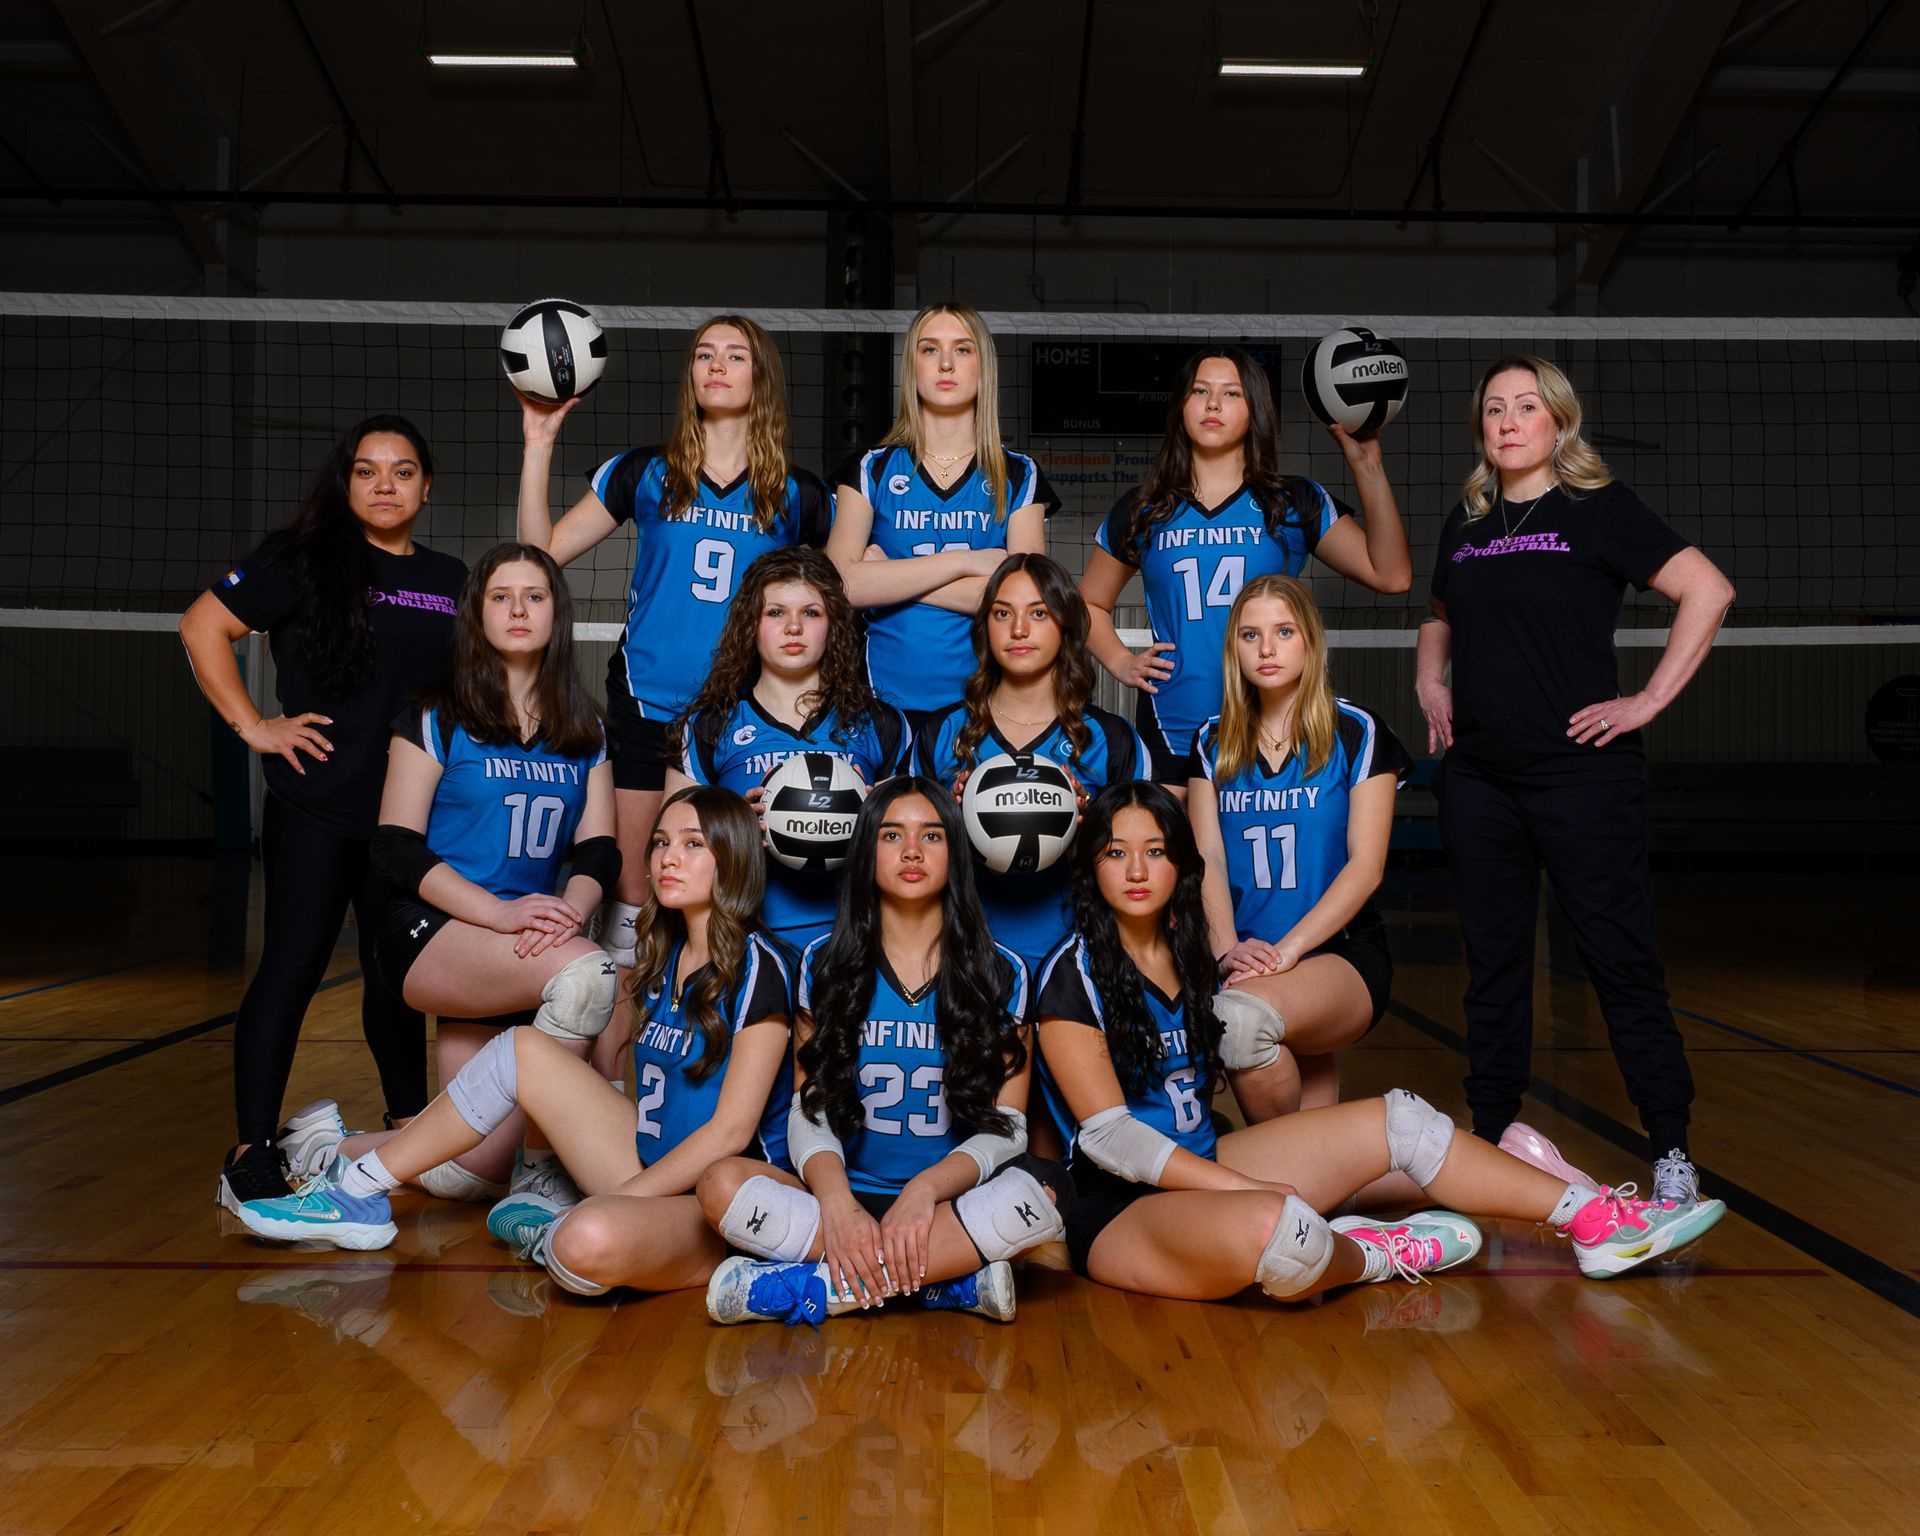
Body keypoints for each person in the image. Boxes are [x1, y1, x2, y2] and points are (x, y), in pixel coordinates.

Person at [1035, 782, 1727, 1305]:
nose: (1136, 870)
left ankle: (1596, 1220)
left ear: (1181, 866)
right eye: (1115, 852)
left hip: (1209, 1161)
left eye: (1155, 851)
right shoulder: (1071, 975)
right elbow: (1114, 1142)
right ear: (1091, 867)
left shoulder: (1193, 956)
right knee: (1277, 1232)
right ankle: (1374, 1252)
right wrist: (1242, 1185)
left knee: (1404, 1122)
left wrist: (1239, 1173)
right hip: (1121, 1207)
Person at [233, 787, 798, 1300]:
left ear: (733, 857)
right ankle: (359, 1189)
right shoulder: (661, 957)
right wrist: (589, 1152)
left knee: (586, 1242)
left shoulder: (758, 967)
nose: (668, 858)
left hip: (721, 1195)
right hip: (650, 1163)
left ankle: (583, 1231)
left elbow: (731, 1132)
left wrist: (619, 1199)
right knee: (524, 1046)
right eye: (660, 842)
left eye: (693, 844)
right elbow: (623, 1084)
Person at [1415, 355, 1736, 1202]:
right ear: (1481, 427)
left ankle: (1670, 1148)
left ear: (1558, 421)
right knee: (1493, 967)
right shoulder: (1467, 521)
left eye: (1526, 406)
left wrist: (1647, 701)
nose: (1509, 421)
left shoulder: (1600, 509)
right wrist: (1428, 678)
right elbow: (1441, 614)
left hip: (1582, 777)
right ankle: (1490, 1138)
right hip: (1480, 781)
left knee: (1618, 959)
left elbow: (1708, 589)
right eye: (1495, 408)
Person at [180, 414, 465, 1210]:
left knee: (395, 976)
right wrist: (253, 726)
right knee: (292, 966)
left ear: (426, 486)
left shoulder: (450, 578)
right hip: (315, 805)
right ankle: (251, 1151)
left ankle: (408, 1130)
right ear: (346, 483)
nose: (384, 485)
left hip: (405, 818)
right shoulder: (301, 559)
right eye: (367, 470)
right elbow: (203, 626)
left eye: (402, 471)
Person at [693, 778, 1072, 1326]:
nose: (912, 851)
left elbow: (1009, 1126)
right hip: (846, 1198)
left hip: (947, 1204)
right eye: (892, 835)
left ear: (956, 852)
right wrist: (837, 1203)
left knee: (1050, 1187)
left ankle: (817, 1288)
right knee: (719, 1182)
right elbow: (809, 1106)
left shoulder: (1002, 971)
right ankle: (946, 1280)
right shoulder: (824, 963)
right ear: (866, 851)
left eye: (932, 836)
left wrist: (924, 1190)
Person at [516, 315, 832, 959]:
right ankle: (617, 1027)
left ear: (761, 377)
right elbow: (538, 555)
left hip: (738, 717)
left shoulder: (798, 492)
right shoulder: (646, 472)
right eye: (704, 354)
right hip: (645, 704)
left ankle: (720, 1017)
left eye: (735, 356)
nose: (716, 365)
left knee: (724, 892)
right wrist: (538, 441)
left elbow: (849, 581)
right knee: (633, 898)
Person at [362, 541, 619, 1204]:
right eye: (501, 597)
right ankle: (540, 1176)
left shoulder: (584, 726)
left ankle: (320, 1148)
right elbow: (395, 846)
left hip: (526, 938)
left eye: (534, 597)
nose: (518, 610)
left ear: (556, 613)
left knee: (467, 1171)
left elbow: (599, 850)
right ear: (477, 613)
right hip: (433, 930)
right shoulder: (435, 714)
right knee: (588, 976)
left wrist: (571, 909)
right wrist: (499, 913)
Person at [1079, 346, 1411, 786]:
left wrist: (1368, 468)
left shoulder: (1290, 501)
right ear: (1181, 407)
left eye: (1231, 393)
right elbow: (1086, 604)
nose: (1213, 404)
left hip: (1272, 727)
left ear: (1255, 409)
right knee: (1175, 832)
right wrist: (1121, 662)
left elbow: (1392, 575)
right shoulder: (1145, 509)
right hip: (1173, 726)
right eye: (1200, 391)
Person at [1187, 576, 1410, 1117]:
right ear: (1233, 647)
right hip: (1246, 957)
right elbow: (1206, 858)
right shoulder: (1211, 741)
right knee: (1313, 1130)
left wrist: (1287, 953)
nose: (1266, 648)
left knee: (1238, 1022)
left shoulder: (1356, 730)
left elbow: (1367, 866)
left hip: (1338, 955)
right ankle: (1319, 1161)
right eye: (1250, 635)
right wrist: (1225, 952)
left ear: (1310, 639)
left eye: (1283, 632)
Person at [669, 546, 913, 955]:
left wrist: (881, 819)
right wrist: (733, 823)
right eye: (776, 612)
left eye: (811, 613)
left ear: (833, 625)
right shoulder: (709, 726)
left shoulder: (882, 724)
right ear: (751, 624)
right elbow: (672, 845)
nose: (794, 627)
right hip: (741, 941)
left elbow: (913, 844)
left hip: (854, 943)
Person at [916, 552, 1148, 974]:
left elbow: (1145, 862)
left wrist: (1091, 824)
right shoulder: (942, 733)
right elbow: (901, 854)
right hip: (963, 958)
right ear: (985, 626)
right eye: (1002, 613)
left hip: (1080, 961)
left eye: (1038, 613)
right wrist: (946, 820)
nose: (1018, 629)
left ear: (1066, 624)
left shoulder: (1112, 739)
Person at [829, 304, 1057, 712]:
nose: (946, 364)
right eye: (930, 349)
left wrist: (887, 579)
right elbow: (840, 585)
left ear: (983, 367)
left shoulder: (1019, 473)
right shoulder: (870, 469)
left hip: (986, 703)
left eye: (963, 349)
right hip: (881, 702)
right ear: (911, 366)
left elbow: (1024, 599)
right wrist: (966, 562)